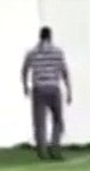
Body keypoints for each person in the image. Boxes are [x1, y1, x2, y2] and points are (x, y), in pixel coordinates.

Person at [21, 26, 72, 160]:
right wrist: (69, 90)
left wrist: (25, 87)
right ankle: (55, 147)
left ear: (40, 37)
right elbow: (64, 72)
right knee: (58, 121)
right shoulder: (57, 52)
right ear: (50, 36)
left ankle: (42, 151)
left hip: (38, 89)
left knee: (39, 122)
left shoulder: (32, 53)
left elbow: (25, 70)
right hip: (53, 88)